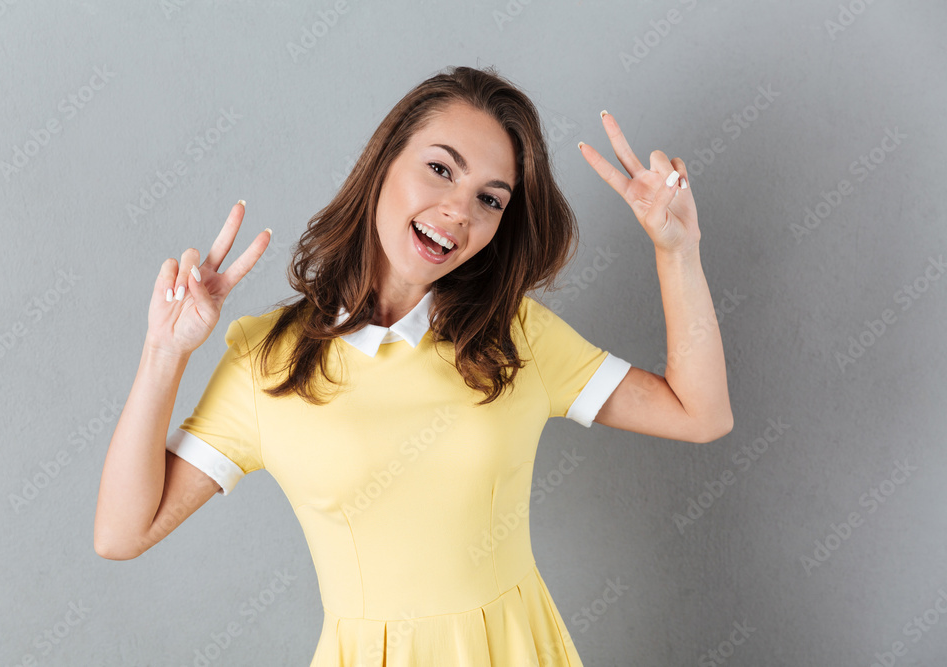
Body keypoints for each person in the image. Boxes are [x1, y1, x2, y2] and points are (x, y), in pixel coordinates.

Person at [94, 65, 733, 666]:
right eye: (439, 169)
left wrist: (679, 251)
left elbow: (699, 414)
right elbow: (121, 534)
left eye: (491, 199)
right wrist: (165, 352)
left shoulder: (514, 337)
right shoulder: (269, 362)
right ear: (382, 165)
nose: (460, 210)